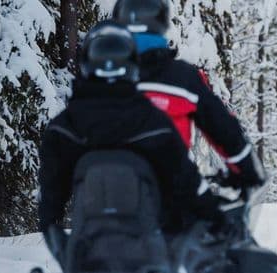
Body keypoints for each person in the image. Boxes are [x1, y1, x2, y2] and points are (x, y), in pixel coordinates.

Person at [37, 22, 226, 266]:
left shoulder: (64, 128)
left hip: (87, 255)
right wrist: (213, 220)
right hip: (147, 255)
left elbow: (51, 201)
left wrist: (60, 246)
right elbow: (186, 183)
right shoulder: (154, 123)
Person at [112, 0, 265, 191]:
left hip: (103, 198)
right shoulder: (182, 78)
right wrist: (247, 170)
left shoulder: (100, 75)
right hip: (170, 195)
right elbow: (223, 128)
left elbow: (71, 130)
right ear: (161, 22)